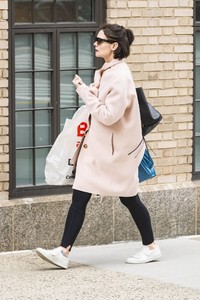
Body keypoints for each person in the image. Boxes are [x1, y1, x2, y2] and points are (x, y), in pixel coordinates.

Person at [36, 23, 161, 269]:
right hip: (101, 151)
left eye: (100, 40)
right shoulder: (108, 71)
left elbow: (108, 115)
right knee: (80, 195)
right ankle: (63, 251)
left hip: (117, 154)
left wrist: (85, 93)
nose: (95, 43)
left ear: (114, 46)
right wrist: (90, 88)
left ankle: (151, 247)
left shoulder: (120, 75)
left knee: (130, 198)